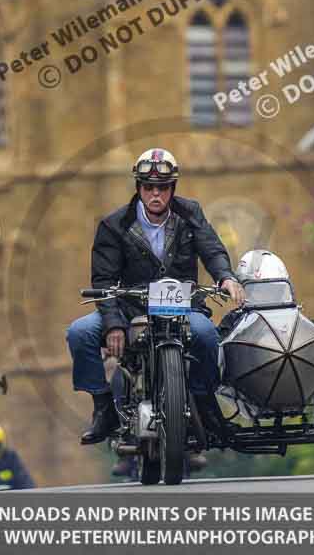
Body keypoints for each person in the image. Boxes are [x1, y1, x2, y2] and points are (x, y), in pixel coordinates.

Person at [66, 147, 245, 448]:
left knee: (206, 336)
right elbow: (104, 280)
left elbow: (211, 248)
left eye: (162, 187)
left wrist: (226, 277)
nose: (155, 194)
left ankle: (205, 404)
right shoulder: (113, 224)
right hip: (129, 307)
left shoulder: (191, 213)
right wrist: (112, 324)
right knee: (79, 333)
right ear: (138, 188)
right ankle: (103, 408)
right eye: (148, 187)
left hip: (183, 308)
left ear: (172, 188)